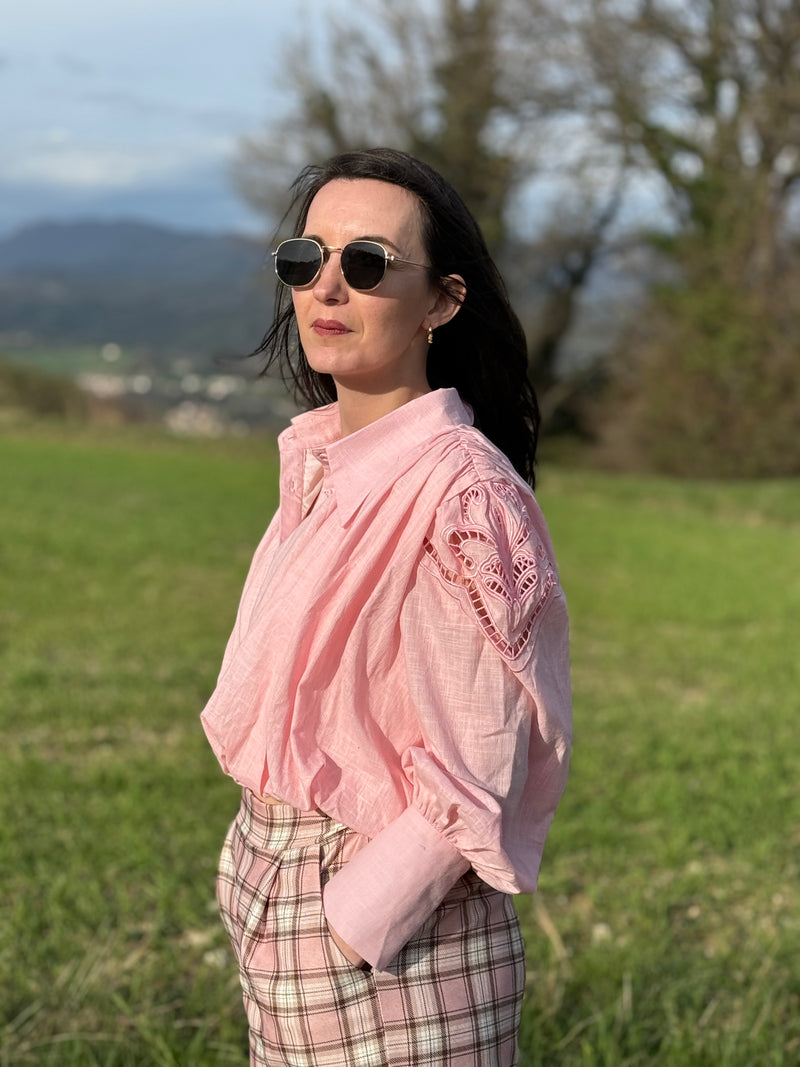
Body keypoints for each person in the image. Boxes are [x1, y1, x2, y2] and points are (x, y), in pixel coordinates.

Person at [201, 147, 572, 1067]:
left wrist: (352, 920)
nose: (328, 287)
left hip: (396, 940)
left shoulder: (463, 496)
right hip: (279, 884)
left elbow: (481, 757)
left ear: (442, 300)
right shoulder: (322, 464)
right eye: (306, 259)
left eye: (367, 262)